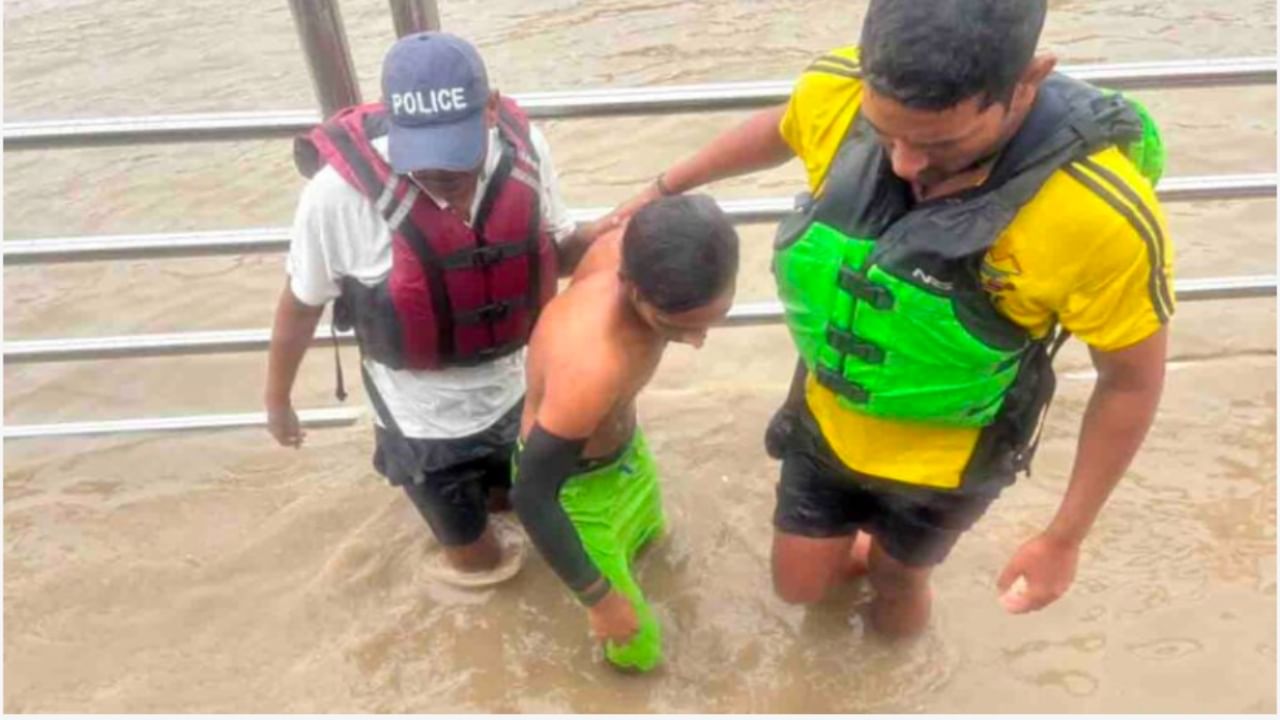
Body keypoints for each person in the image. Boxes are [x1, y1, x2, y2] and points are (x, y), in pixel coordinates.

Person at [610, 0, 1173, 637]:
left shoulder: (1100, 218)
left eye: (939, 143)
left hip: (950, 464)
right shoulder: (840, 88)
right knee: (798, 586)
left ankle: (892, 623)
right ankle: (860, 554)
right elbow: (786, 126)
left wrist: (1064, 538)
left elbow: (1129, 382)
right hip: (827, 421)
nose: (904, 164)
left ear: (1028, 82)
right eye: (884, 132)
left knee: (898, 585)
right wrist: (660, 190)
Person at [265, 31, 613, 584]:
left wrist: (620, 236)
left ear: (491, 110)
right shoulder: (336, 197)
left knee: (526, 520)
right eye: (424, 163)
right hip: (421, 424)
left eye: (457, 160)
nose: (443, 181)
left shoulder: (525, 152)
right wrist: (278, 399)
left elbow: (559, 250)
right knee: (481, 569)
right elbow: (301, 304)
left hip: (517, 391)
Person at [511, 194, 739, 671]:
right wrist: (600, 600)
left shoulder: (638, 244)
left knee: (657, 545)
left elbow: (672, 201)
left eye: (711, 321)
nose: (697, 341)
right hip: (574, 492)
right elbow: (532, 495)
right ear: (630, 287)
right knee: (637, 649)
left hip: (626, 456)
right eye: (677, 327)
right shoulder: (592, 366)